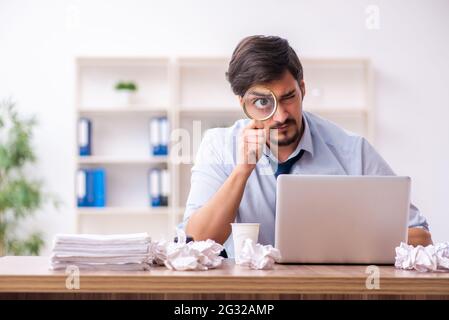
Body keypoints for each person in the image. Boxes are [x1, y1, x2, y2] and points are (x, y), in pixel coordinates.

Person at [181, 35, 432, 257]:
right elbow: (196, 242)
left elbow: (422, 239)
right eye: (262, 102)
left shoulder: (352, 152)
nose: (279, 116)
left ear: (302, 89)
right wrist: (242, 171)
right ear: (242, 104)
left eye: (288, 97)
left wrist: (347, 241)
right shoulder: (218, 146)